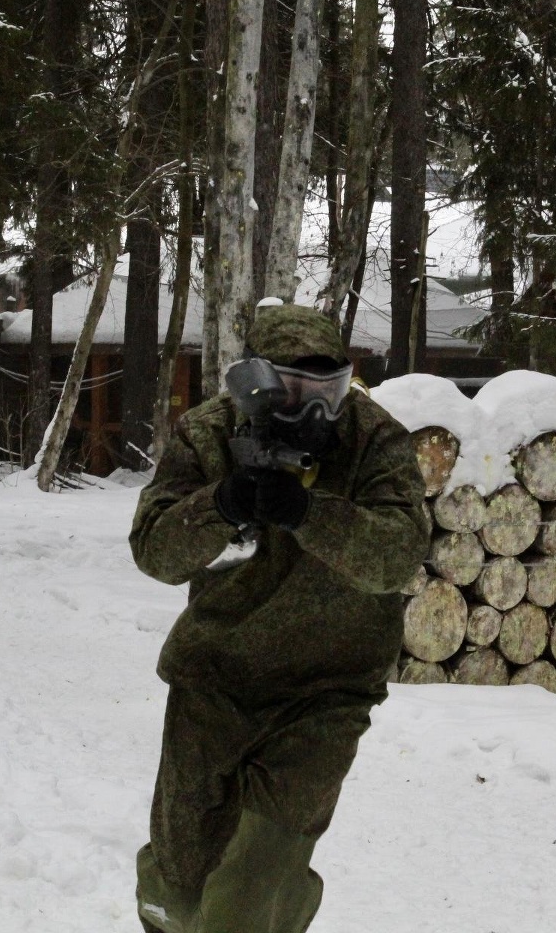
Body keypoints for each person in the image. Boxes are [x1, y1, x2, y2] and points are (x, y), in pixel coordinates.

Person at [129, 301, 430, 933]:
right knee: (177, 888)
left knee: (251, 887)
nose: (313, 408)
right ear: (254, 383)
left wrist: (309, 512)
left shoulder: (376, 439)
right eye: (293, 389)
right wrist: (220, 503)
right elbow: (155, 553)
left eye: (328, 389)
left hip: (326, 692)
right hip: (214, 682)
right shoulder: (207, 435)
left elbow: (398, 558)